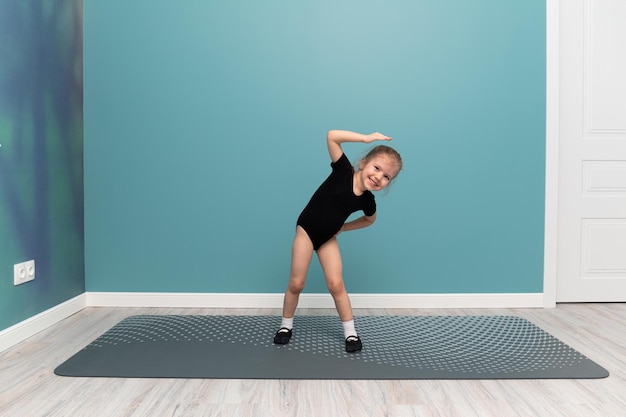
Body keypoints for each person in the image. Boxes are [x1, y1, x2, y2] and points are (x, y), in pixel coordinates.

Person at [274, 129, 403, 353]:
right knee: (296, 284)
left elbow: (369, 220)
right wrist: (365, 138)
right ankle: (286, 326)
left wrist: (344, 227)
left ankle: (350, 333)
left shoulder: (368, 200)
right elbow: (332, 135)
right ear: (364, 162)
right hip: (307, 229)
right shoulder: (343, 170)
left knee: (336, 285)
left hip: (327, 237)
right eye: (377, 168)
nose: (378, 177)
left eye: (386, 177)